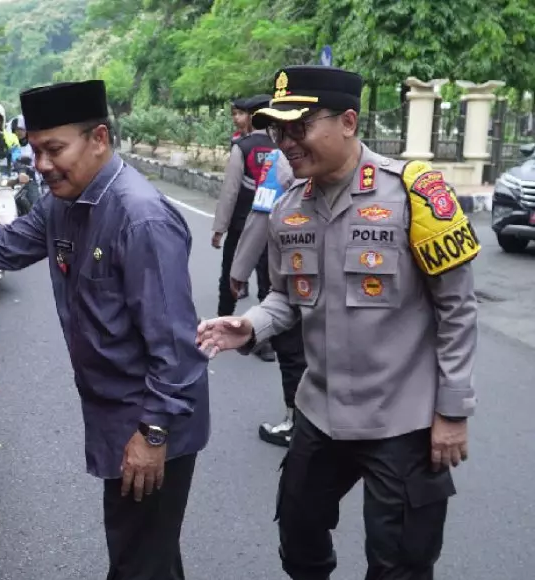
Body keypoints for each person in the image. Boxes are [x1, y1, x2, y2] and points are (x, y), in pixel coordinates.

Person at [0, 79, 210, 580]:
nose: (43, 165)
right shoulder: (63, 202)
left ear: (98, 139)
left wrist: (152, 435)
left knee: (138, 560)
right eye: (35, 150)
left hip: (151, 419)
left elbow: (176, 349)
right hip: (116, 410)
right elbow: (0, 248)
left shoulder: (140, 221)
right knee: (149, 551)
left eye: (55, 150)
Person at [196, 65, 480, 580]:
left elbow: (457, 308)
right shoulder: (289, 208)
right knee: (299, 538)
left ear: (348, 121)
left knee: (401, 563)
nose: (286, 143)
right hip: (320, 412)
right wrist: (251, 325)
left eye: (298, 128)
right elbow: (287, 298)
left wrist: (453, 411)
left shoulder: (416, 196)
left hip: (404, 420)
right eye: (278, 131)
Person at [229, 149, 306, 447]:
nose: (287, 140)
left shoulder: (282, 158)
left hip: (288, 267)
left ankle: (296, 421)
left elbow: (261, 215)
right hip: (291, 274)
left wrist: (239, 269)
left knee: (292, 350)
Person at [211, 94, 276, 361]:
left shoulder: (244, 147)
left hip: (241, 223)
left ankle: (221, 324)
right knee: (267, 279)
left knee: (231, 273)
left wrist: (219, 228)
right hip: (273, 225)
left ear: (252, 117)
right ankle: (265, 338)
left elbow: (230, 191)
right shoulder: (279, 147)